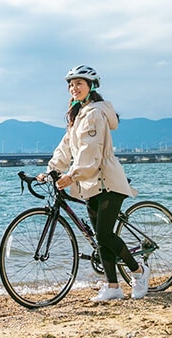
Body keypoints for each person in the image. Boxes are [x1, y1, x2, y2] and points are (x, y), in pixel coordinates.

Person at [37, 64, 150, 301]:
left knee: (105, 235)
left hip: (107, 181)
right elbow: (65, 147)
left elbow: (92, 152)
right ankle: (113, 287)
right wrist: (51, 171)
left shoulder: (95, 113)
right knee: (100, 238)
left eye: (78, 83)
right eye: (70, 84)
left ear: (91, 86)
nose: (73, 88)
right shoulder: (78, 115)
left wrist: (72, 175)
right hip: (91, 184)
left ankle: (139, 271)